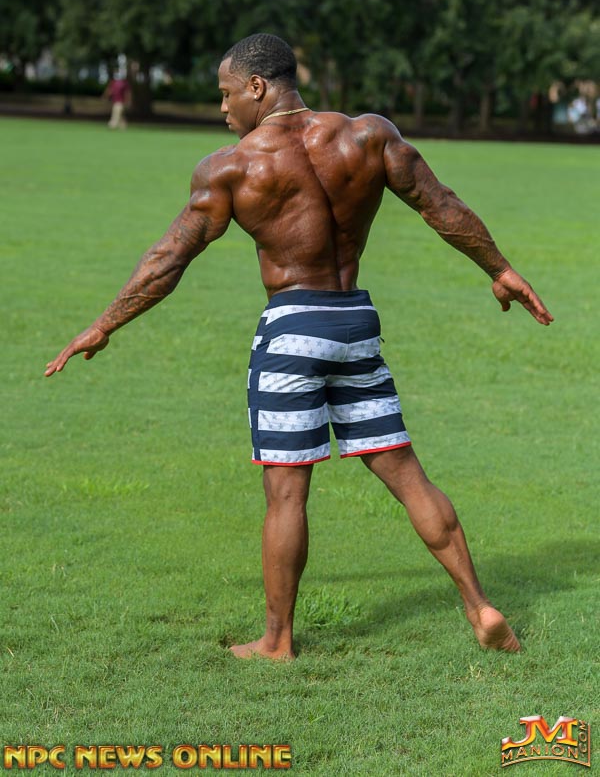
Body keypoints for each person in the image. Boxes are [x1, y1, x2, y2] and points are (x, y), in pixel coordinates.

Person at [46, 33, 553, 660]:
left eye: (227, 94)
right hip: (355, 323)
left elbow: (169, 257)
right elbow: (440, 204)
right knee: (408, 476)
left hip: (291, 328)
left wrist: (104, 324)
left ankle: (277, 640)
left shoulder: (231, 166)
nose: (223, 108)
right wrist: (499, 269)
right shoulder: (369, 136)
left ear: (257, 87)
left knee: (286, 493)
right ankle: (480, 606)